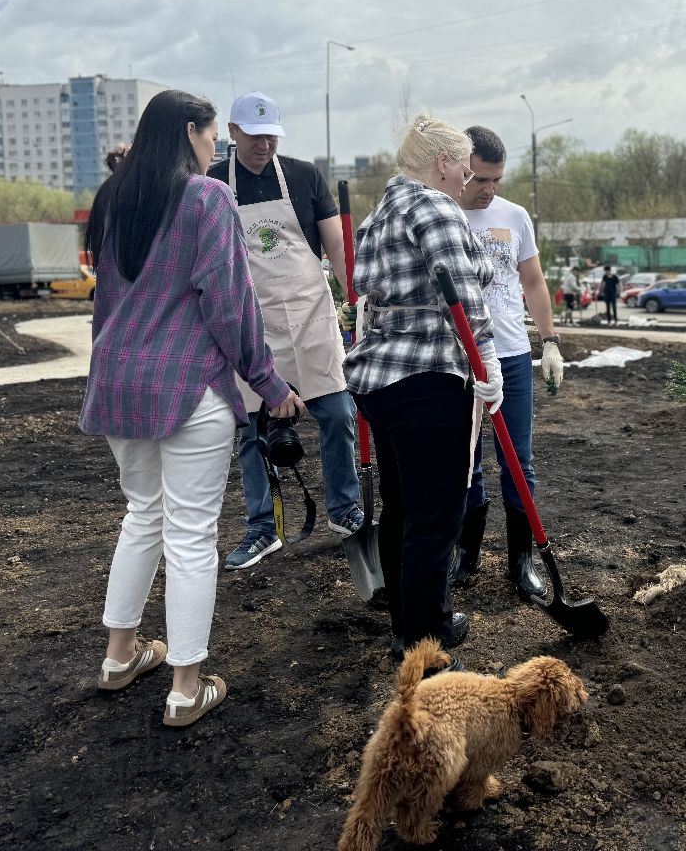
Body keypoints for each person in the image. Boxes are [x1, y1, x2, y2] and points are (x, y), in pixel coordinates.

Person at [81, 90, 304, 727]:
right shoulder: (207, 199)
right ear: (189, 133)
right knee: (190, 537)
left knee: (142, 517)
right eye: (212, 139)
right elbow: (231, 305)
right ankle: (185, 686)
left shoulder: (113, 200)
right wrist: (270, 383)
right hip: (186, 389)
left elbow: (105, 308)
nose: (218, 151)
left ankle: (120, 657)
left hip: (119, 383)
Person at [345, 114, 502, 669]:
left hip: (380, 381)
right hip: (431, 377)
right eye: (463, 168)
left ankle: (409, 626)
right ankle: (424, 644)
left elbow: (364, 287)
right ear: (442, 164)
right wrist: (487, 363)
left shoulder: (380, 212)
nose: (466, 179)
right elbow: (463, 294)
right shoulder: (435, 206)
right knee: (437, 515)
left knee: (403, 508)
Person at [206, 92, 364, 571]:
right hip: (252, 325)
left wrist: (356, 300)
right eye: (255, 136)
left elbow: (336, 247)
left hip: (310, 317)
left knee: (337, 415)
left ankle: (344, 510)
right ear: (233, 134)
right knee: (253, 430)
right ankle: (263, 527)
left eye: (272, 135)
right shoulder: (213, 184)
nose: (264, 145)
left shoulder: (303, 176)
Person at [446, 125, 566, 600]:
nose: (488, 190)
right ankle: (467, 554)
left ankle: (522, 561)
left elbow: (533, 283)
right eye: (479, 179)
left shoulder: (514, 217)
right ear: (459, 167)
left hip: (512, 356)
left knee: (520, 460)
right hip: (458, 360)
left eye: (496, 180)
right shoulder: (442, 215)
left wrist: (550, 341)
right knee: (466, 462)